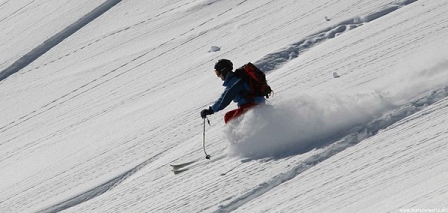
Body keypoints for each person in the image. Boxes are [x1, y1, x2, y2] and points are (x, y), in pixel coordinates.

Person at [200, 59, 266, 123]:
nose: (218, 76)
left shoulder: (235, 81)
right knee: (231, 116)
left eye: (218, 73)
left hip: (252, 104)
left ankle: (236, 134)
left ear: (224, 71)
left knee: (229, 118)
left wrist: (211, 110)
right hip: (255, 104)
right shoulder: (236, 79)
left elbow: (225, 98)